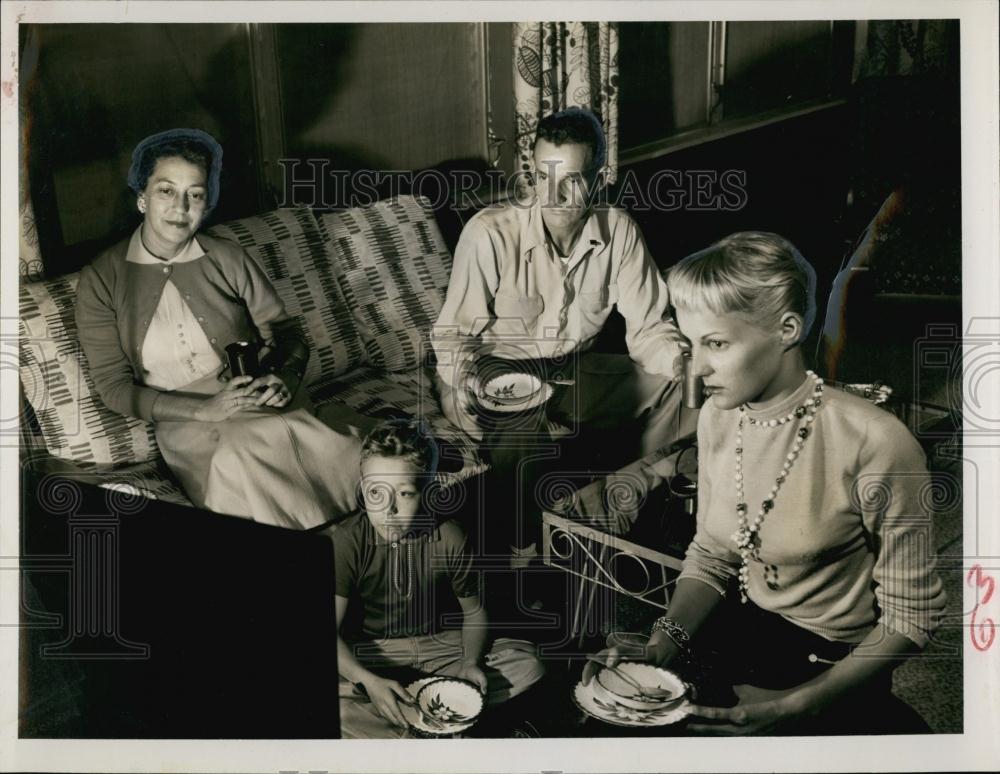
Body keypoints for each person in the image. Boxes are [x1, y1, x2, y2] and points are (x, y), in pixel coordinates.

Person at [583, 232, 947, 734]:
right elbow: (713, 552)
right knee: (618, 721)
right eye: (689, 343)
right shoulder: (718, 414)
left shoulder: (878, 442)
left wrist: (796, 705)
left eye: (716, 343)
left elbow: (911, 620)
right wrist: (663, 640)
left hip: (834, 662)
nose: (697, 367)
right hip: (742, 625)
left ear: (787, 330)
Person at [431, 108, 697, 562]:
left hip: (574, 368)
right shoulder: (489, 235)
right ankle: (526, 555)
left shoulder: (620, 232)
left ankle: (628, 505)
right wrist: (463, 386)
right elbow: (455, 339)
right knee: (522, 423)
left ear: (599, 178)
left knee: (684, 388)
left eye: (571, 180)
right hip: (498, 373)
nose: (552, 194)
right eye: (541, 176)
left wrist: (683, 363)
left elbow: (650, 328)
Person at [76, 128, 370, 529]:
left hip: (255, 395)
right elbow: (114, 388)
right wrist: (204, 410)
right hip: (189, 424)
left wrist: (283, 377)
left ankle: (355, 552)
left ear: (206, 204)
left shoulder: (227, 257)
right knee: (240, 457)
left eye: (194, 195)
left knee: (347, 455)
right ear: (141, 197)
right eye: (166, 190)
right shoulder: (102, 279)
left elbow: (287, 334)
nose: (180, 207)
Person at [332, 419, 545, 738]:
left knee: (528, 664)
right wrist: (368, 681)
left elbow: (473, 613)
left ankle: (409, 721)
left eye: (404, 493)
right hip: (374, 651)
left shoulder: (450, 536)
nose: (388, 509)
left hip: (439, 645)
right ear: (363, 490)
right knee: (332, 706)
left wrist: (470, 662)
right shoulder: (347, 541)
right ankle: (435, 718)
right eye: (376, 492)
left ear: (429, 492)